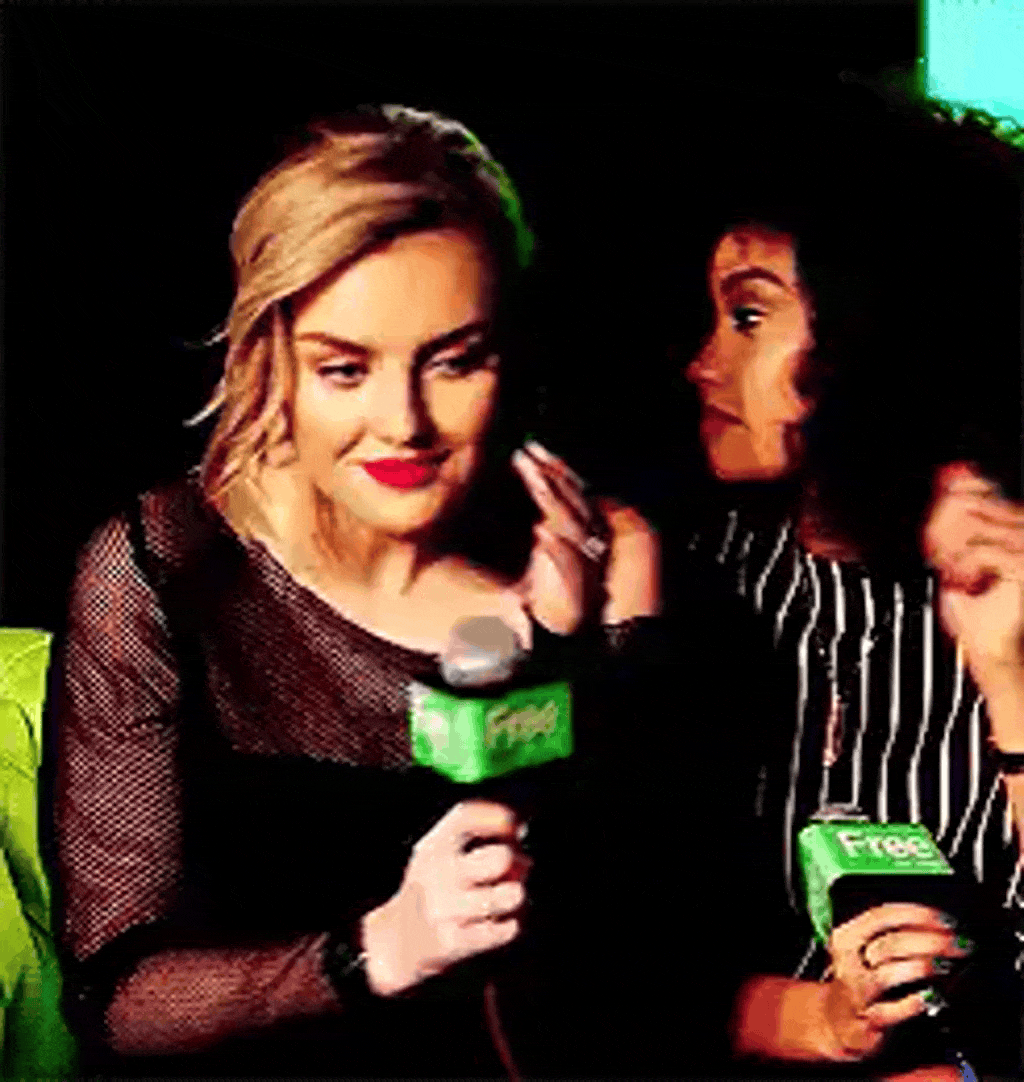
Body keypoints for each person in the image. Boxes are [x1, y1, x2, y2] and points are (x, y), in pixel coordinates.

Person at [51, 105, 662, 1078]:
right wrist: (375, 951)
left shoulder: (598, 557)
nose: (403, 422)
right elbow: (116, 1003)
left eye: (453, 361)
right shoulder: (167, 568)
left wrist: (559, 654)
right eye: (345, 369)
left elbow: (634, 967)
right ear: (272, 357)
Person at [667, 87, 1024, 1075]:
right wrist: (816, 1019)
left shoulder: (999, 590)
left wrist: (1012, 681)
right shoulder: (680, 584)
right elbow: (608, 977)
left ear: (875, 337)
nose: (701, 364)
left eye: (748, 316)